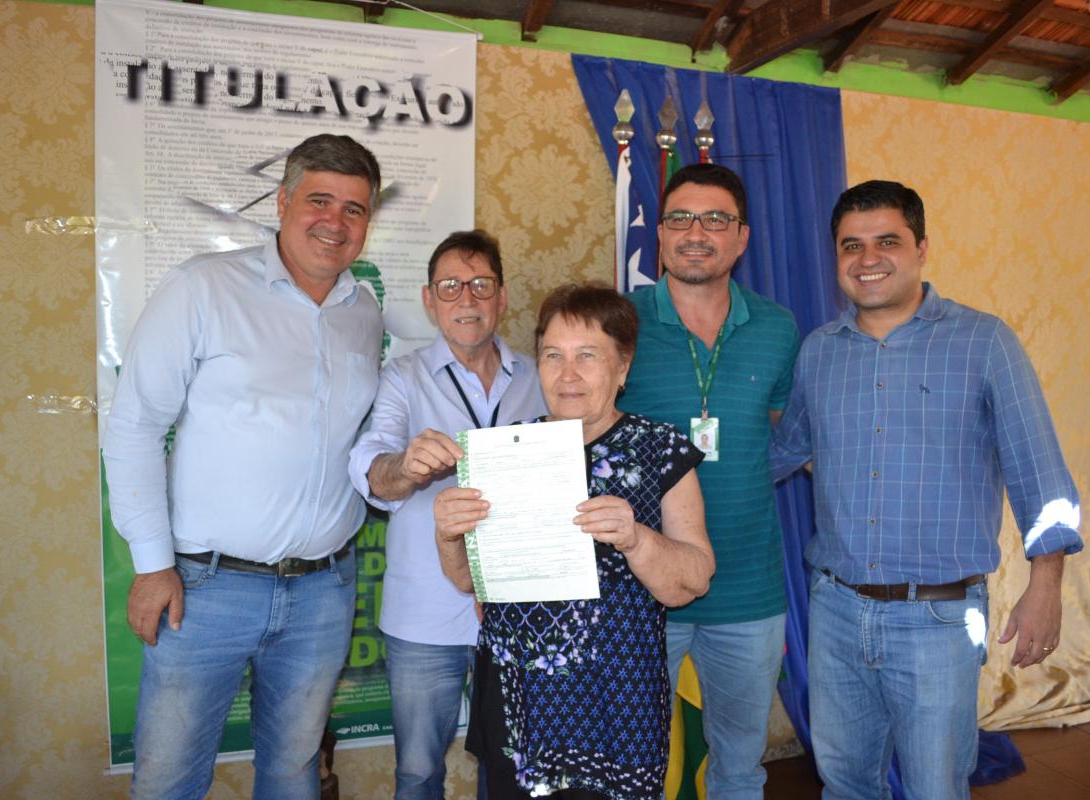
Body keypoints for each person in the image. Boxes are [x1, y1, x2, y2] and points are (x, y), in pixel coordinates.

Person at [771, 180, 1083, 799]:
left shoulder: (984, 342)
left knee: (935, 788)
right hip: (835, 612)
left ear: (921, 248)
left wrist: (1045, 586)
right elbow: (785, 451)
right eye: (851, 245)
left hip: (939, 618)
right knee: (845, 784)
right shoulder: (819, 352)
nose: (868, 259)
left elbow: (1039, 469)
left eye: (887, 241)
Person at [103, 133, 384, 800]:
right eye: (319, 200)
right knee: (169, 781)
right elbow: (135, 425)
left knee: (292, 773)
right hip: (203, 590)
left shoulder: (363, 312)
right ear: (282, 202)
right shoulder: (203, 287)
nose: (335, 222)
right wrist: (153, 565)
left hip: (323, 590)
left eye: (354, 208)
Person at [433, 284, 715, 799]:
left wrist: (636, 539)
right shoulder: (505, 451)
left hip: (615, 704)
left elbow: (694, 580)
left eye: (588, 356)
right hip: (521, 702)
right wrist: (449, 534)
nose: (568, 374)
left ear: (622, 367)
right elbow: (468, 581)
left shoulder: (660, 449)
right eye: (553, 356)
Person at [618, 162, 801, 798]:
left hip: (749, 592)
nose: (696, 233)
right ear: (660, 234)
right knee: (630, 769)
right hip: (641, 588)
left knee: (739, 771)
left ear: (742, 237)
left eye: (716, 219)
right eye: (680, 218)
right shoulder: (618, 324)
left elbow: (787, 435)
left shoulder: (778, 328)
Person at [348, 229, 546, 799]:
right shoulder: (402, 377)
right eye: (450, 286)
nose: (467, 298)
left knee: (511, 768)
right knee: (417, 771)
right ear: (429, 299)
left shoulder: (540, 377)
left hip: (519, 612)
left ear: (501, 297)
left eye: (481, 284)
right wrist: (406, 466)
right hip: (425, 615)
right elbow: (370, 464)